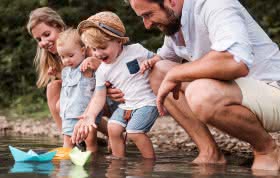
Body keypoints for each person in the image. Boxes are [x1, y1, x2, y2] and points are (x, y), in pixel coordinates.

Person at [127, 0, 280, 171]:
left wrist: (176, 74)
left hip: (273, 92)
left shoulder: (215, 4)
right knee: (158, 72)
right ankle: (210, 152)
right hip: (240, 93)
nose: (147, 25)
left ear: (171, 1)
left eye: (148, 15)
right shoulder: (176, 22)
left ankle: (267, 149)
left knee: (201, 93)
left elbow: (235, 61)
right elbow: (162, 60)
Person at [71, 11, 160, 159]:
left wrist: (151, 61)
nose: (98, 53)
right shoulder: (102, 70)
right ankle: (118, 160)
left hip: (146, 102)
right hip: (127, 105)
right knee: (113, 128)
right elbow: (99, 96)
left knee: (134, 132)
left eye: (102, 47)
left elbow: (159, 57)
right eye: (93, 49)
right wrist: (90, 115)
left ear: (119, 41)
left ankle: (149, 163)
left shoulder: (136, 51)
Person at [26, 7, 108, 136]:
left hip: (106, 96)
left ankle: (109, 133)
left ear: (58, 26)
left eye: (47, 34)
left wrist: (96, 63)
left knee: (66, 104)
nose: (43, 42)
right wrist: (58, 74)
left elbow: (111, 69)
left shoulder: (84, 46)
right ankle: (68, 136)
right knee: (53, 87)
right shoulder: (59, 59)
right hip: (85, 102)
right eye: (39, 39)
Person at [56, 28, 103, 152]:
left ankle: (93, 161)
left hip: (84, 116)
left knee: (90, 143)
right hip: (68, 115)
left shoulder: (86, 67)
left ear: (82, 51)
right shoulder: (66, 71)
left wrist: (91, 60)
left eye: (70, 56)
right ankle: (65, 165)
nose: (66, 60)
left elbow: (103, 68)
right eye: (62, 57)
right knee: (67, 144)